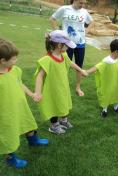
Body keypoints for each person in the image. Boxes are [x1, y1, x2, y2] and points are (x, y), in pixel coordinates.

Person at [0, 38, 48, 168]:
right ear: (3, 61)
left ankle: (33, 141)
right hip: (6, 112)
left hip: (20, 106)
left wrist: (32, 94)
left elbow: (20, 84)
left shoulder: (15, 70)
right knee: (8, 134)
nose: (16, 61)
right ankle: (11, 158)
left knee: (28, 122)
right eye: (14, 59)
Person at [34, 30, 88, 135]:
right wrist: (37, 92)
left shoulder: (64, 55)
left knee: (64, 102)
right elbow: (39, 76)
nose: (67, 47)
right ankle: (54, 126)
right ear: (59, 45)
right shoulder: (47, 59)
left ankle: (64, 120)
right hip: (53, 89)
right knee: (55, 104)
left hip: (63, 86)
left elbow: (70, 63)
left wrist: (81, 70)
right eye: (66, 45)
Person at [49, 0, 93, 96]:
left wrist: (86, 32)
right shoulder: (64, 9)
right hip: (66, 43)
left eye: (84, 3)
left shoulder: (84, 12)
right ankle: (63, 86)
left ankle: (78, 87)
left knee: (79, 66)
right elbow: (52, 19)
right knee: (64, 65)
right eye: (80, 2)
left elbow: (91, 22)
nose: (82, 5)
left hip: (80, 43)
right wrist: (58, 32)